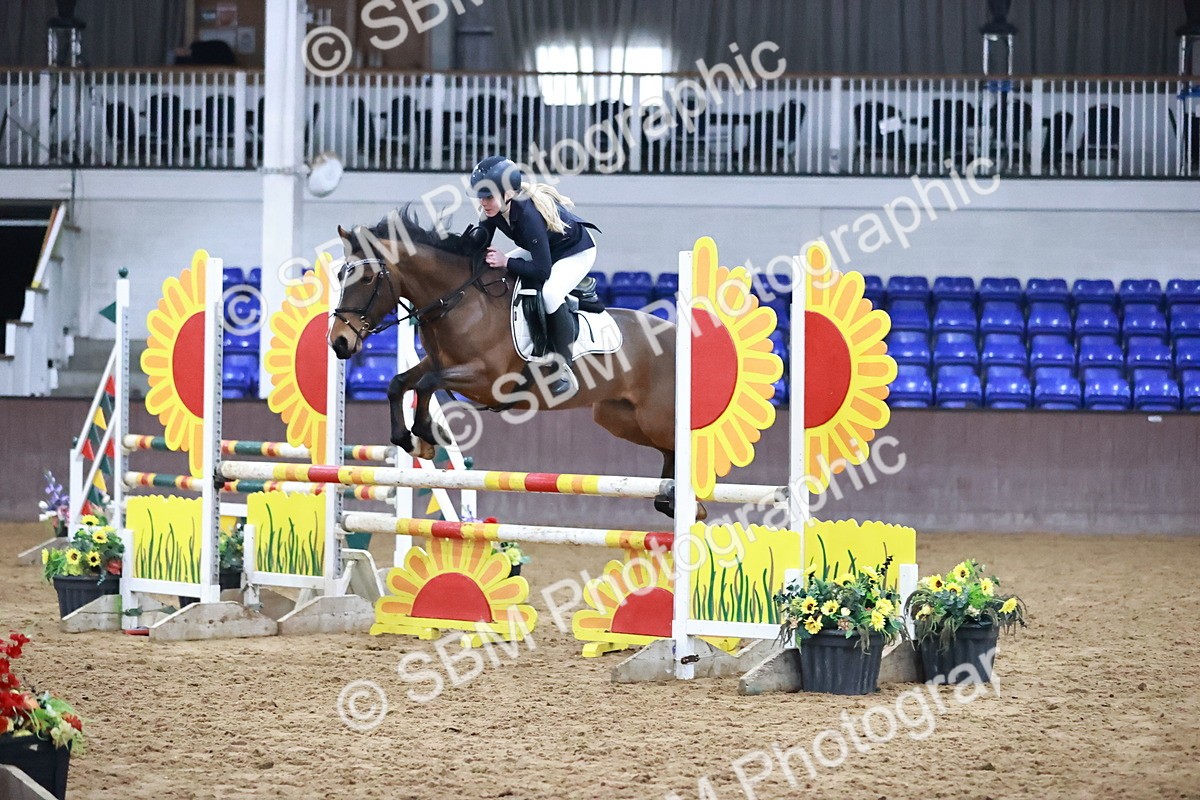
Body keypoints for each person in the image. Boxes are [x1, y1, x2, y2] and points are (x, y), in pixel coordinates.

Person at [470, 155, 600, 399]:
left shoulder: (529, 216)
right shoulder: (492, 209)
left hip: (575, 252)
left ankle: (563, 367)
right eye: (480, 196)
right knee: (495, 268)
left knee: (550, 294)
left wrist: (507, 261)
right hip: (545, 250)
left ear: (507, 193)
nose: (483, 202)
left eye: (488, 196)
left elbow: (542, 271)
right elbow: (479, 243)